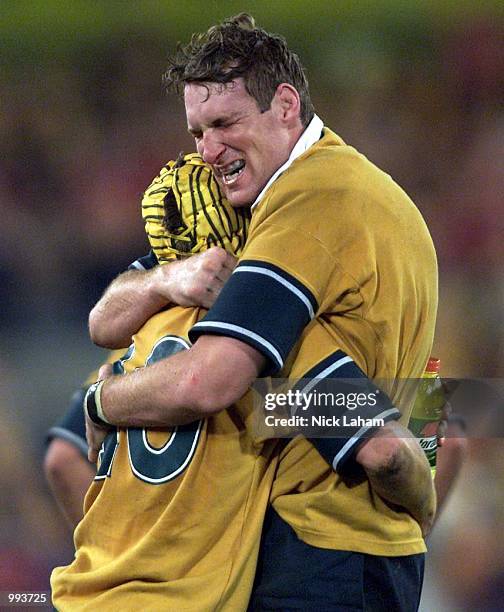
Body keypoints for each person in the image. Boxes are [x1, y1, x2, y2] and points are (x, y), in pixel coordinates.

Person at [55, 14, 438, 610]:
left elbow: (212, 379)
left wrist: (102, 399)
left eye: (224, 123)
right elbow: (102, 321)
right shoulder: (363, 192)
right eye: (197, 131)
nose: (207, 151)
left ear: (286, 105)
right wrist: (169, 276)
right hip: (374, 545)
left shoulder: (311, 197)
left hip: (314, 551)